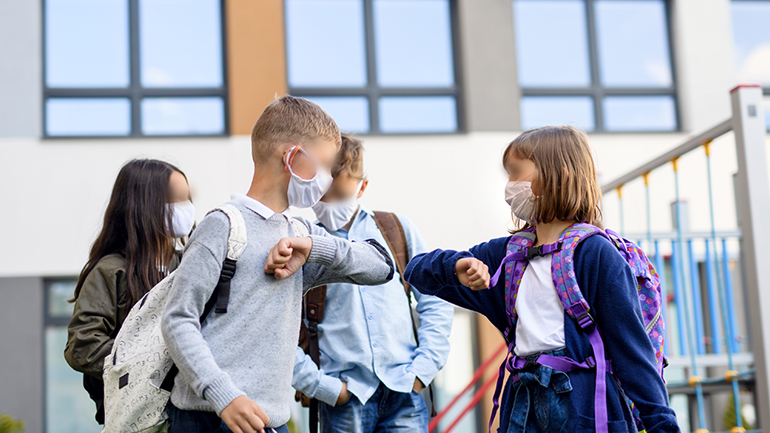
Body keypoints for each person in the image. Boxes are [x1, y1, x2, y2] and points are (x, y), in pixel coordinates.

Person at [403, 126, 680, 433]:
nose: (509, 187)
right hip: (522, 409)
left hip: (586, 410)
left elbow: (631, 351)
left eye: (516, 174)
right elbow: (416, 272)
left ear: (556, 175)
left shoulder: (595, 254)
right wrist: (457, 266)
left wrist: (661, 425)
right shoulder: (504, 256)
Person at [160, 96, 394, 433]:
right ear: (295, 158)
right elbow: (178, 318)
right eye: (326, 165)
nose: (328, 178)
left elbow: (381, 267)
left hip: (270, 422)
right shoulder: (223, 225)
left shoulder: (302, 234)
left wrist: (315, 247)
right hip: (206, 419)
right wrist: (223, 395)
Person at [292, 134, 453, 433]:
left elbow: (435, 299)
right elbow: (281, 331)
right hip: (344, 397)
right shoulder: (303, 243)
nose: (328, 204)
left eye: (338, 196)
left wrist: (423, 370)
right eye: (321, 195)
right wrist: (323, 387)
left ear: (362, 186)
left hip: (405, 389)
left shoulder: (397, 230)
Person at [65, 158, 196, 425]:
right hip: (136, 418)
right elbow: (83, 345)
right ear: (145, 206)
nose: (187, 209)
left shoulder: (190, 264)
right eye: (176, 201)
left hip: (188, 414)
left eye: (188, 199)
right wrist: (150, 364)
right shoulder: (111, 271)